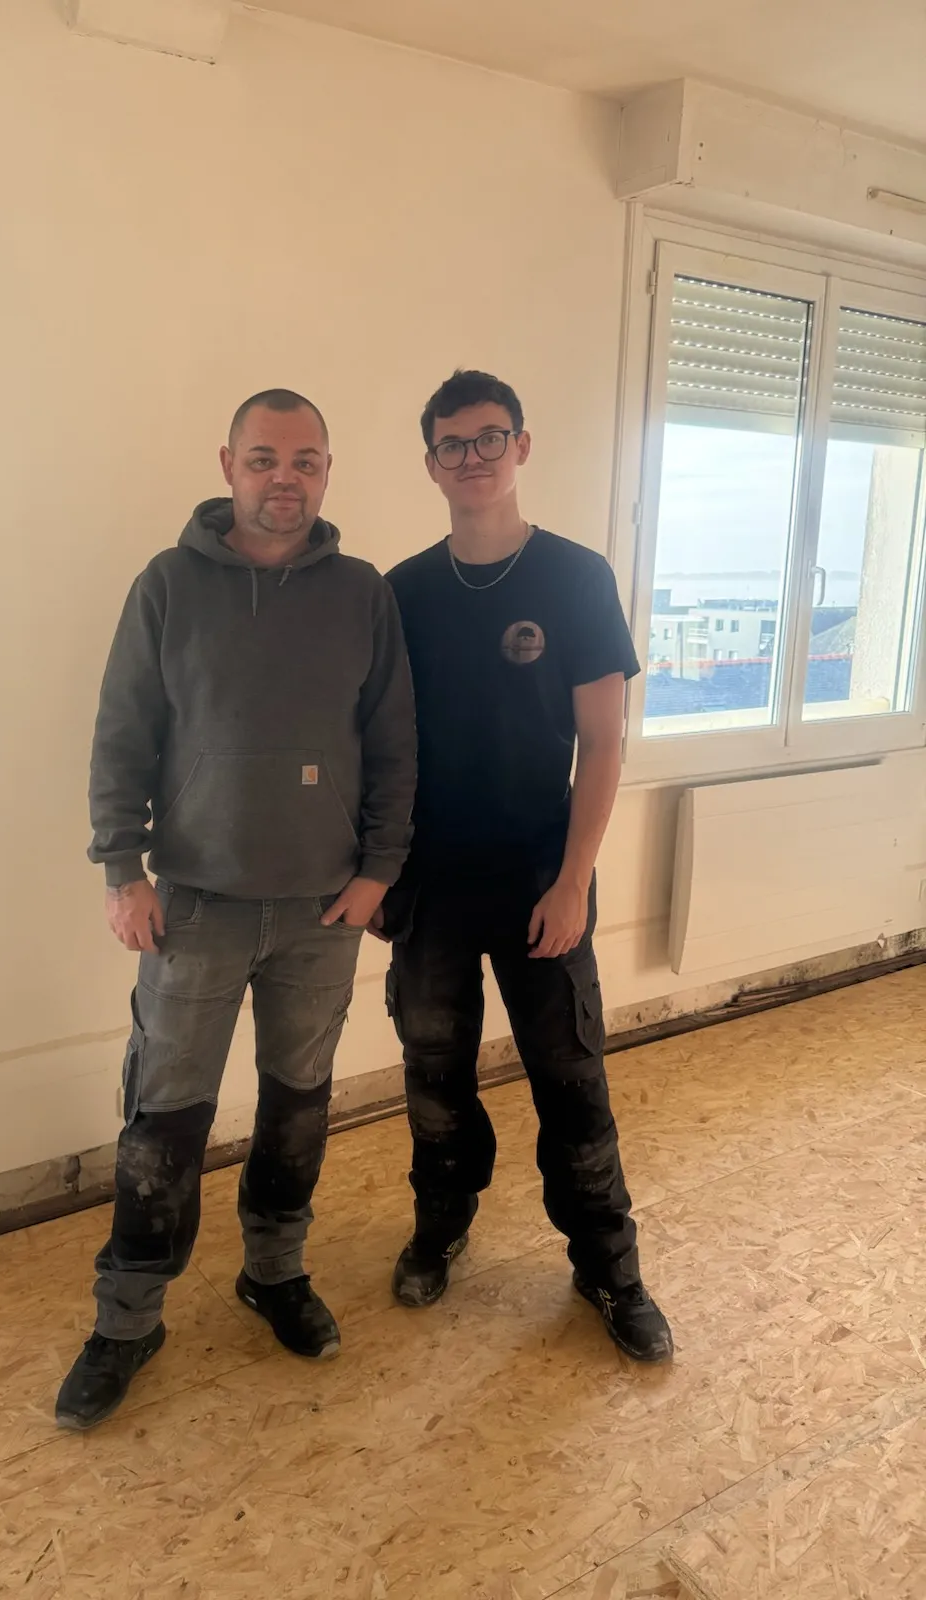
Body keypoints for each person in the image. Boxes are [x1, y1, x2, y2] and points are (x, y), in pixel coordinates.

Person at [56, 389, 417, 1429]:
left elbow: (395, 742)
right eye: (264, 458)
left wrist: (379, 869)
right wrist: (121, 867)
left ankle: (274, 1272)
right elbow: (121, 731)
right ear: (228, 465)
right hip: (194, 904)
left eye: (305, 460)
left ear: (328, 470)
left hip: (323, 909)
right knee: (163, 1119)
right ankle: (128, 1319)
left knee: (299, 1102)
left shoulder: (361, 593)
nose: (284, 478)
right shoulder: (168, 586)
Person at [379, 370, 672, 1363]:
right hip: (430, 885)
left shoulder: (576, 577)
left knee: (571, 1080)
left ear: (522, 446)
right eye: (452, 443)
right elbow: (382, 746)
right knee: (434, 1078)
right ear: (431, 463)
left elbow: (605, 742)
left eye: (489, 437)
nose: (473, 456)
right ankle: (441, 1222)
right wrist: (381, 871)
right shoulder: (404, 592)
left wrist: (575, 879)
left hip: (542, 876)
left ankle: (609, 1266)